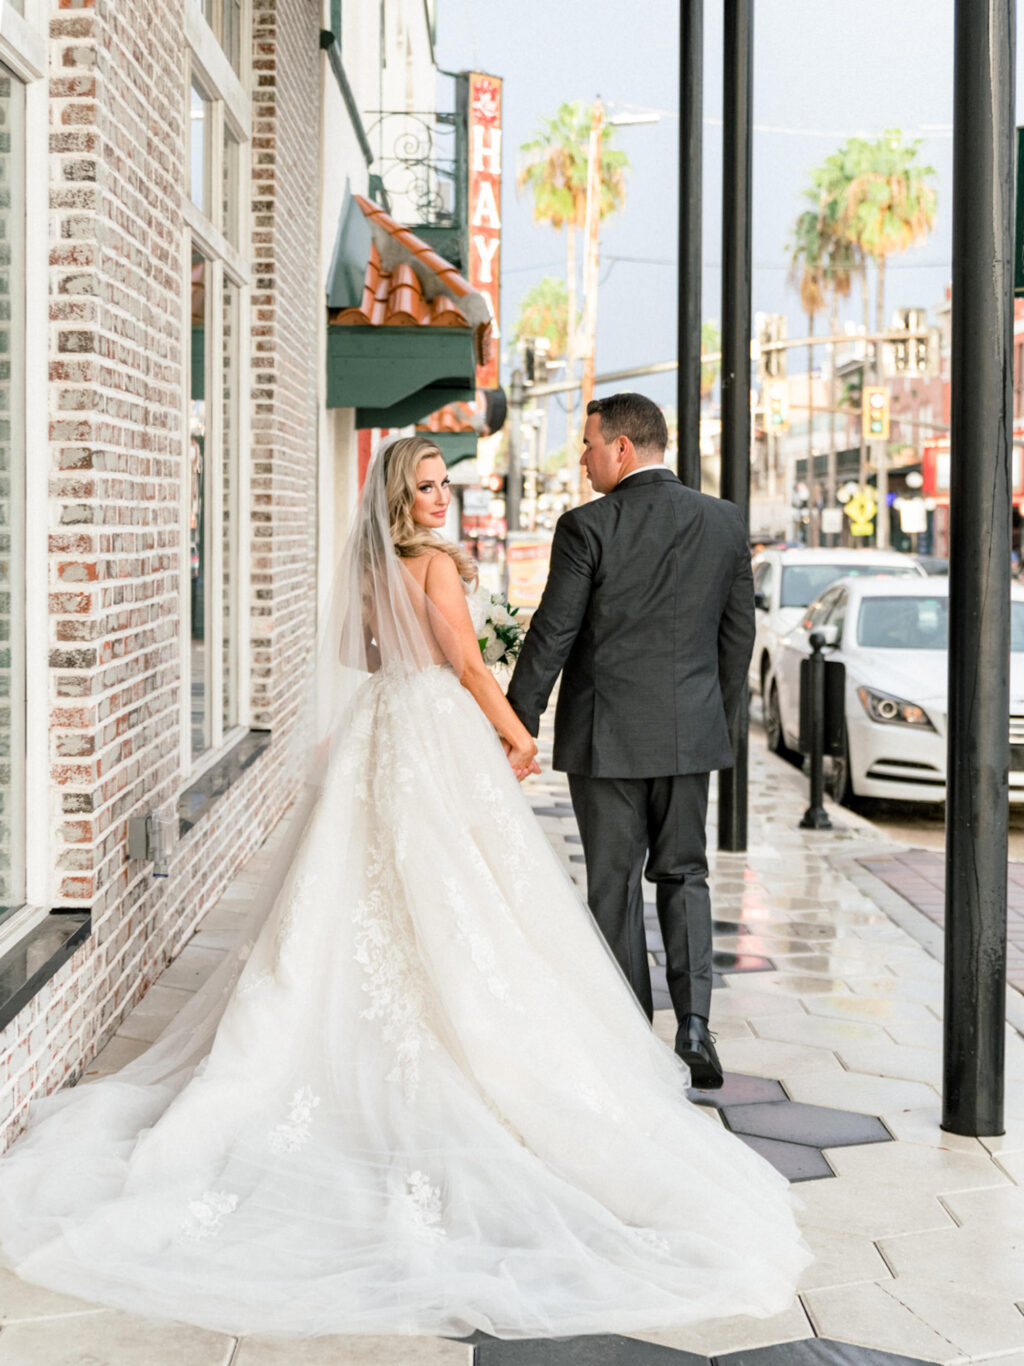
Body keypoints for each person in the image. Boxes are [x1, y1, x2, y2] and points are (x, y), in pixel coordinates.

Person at [0, 437, 808, 1339]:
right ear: (402, 496)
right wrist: (517, 731)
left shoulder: (381, 566)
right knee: (469, 893)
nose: (437, 497)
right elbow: (465, 667)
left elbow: (361, 651)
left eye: (441, 484)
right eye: (424, 486)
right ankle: (606, 1031)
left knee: (362, 890)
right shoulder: (440, 567)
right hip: (438, 731)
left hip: (381, 724)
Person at [507, 393, 755, 1089]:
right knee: (685, 875)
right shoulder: (725, 523)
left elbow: (551, 636)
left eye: (587, 445)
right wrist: (716, 728)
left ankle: (632, 1037)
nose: (582, 459)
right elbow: (737, 642)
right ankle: (697, 1026)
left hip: (605, 740)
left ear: (620, 448)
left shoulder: (587, 526)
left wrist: (513, 724)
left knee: (612, 886)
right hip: (689, 738)